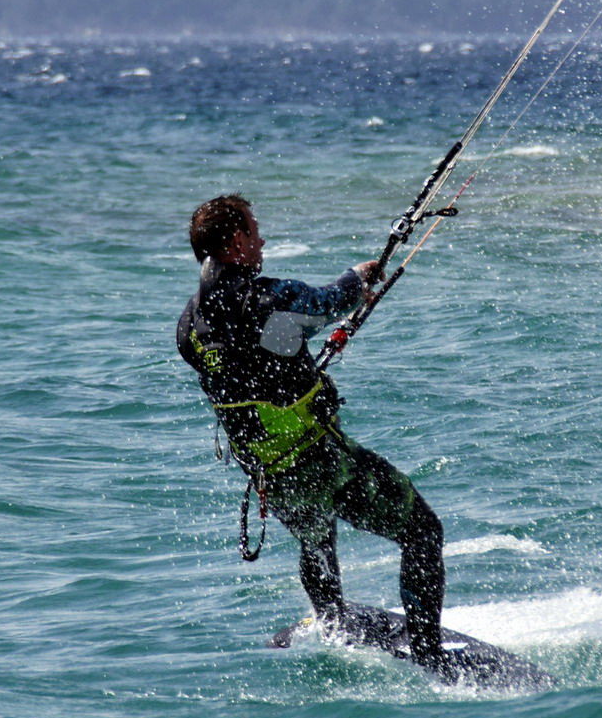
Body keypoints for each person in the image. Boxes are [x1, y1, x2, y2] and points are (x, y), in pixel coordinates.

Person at [176, 193, 457, 681]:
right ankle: (430, 655)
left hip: (268, 473)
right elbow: (328, 304)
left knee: (316, 540)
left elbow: (256, 362)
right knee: (422, 532)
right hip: (318, 461)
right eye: (255, 229)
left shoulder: (188, 326)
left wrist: (292, 367)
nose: (261, 239)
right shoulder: (268, 300)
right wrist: (359, 276)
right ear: (237, 242)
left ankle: (332, 626)